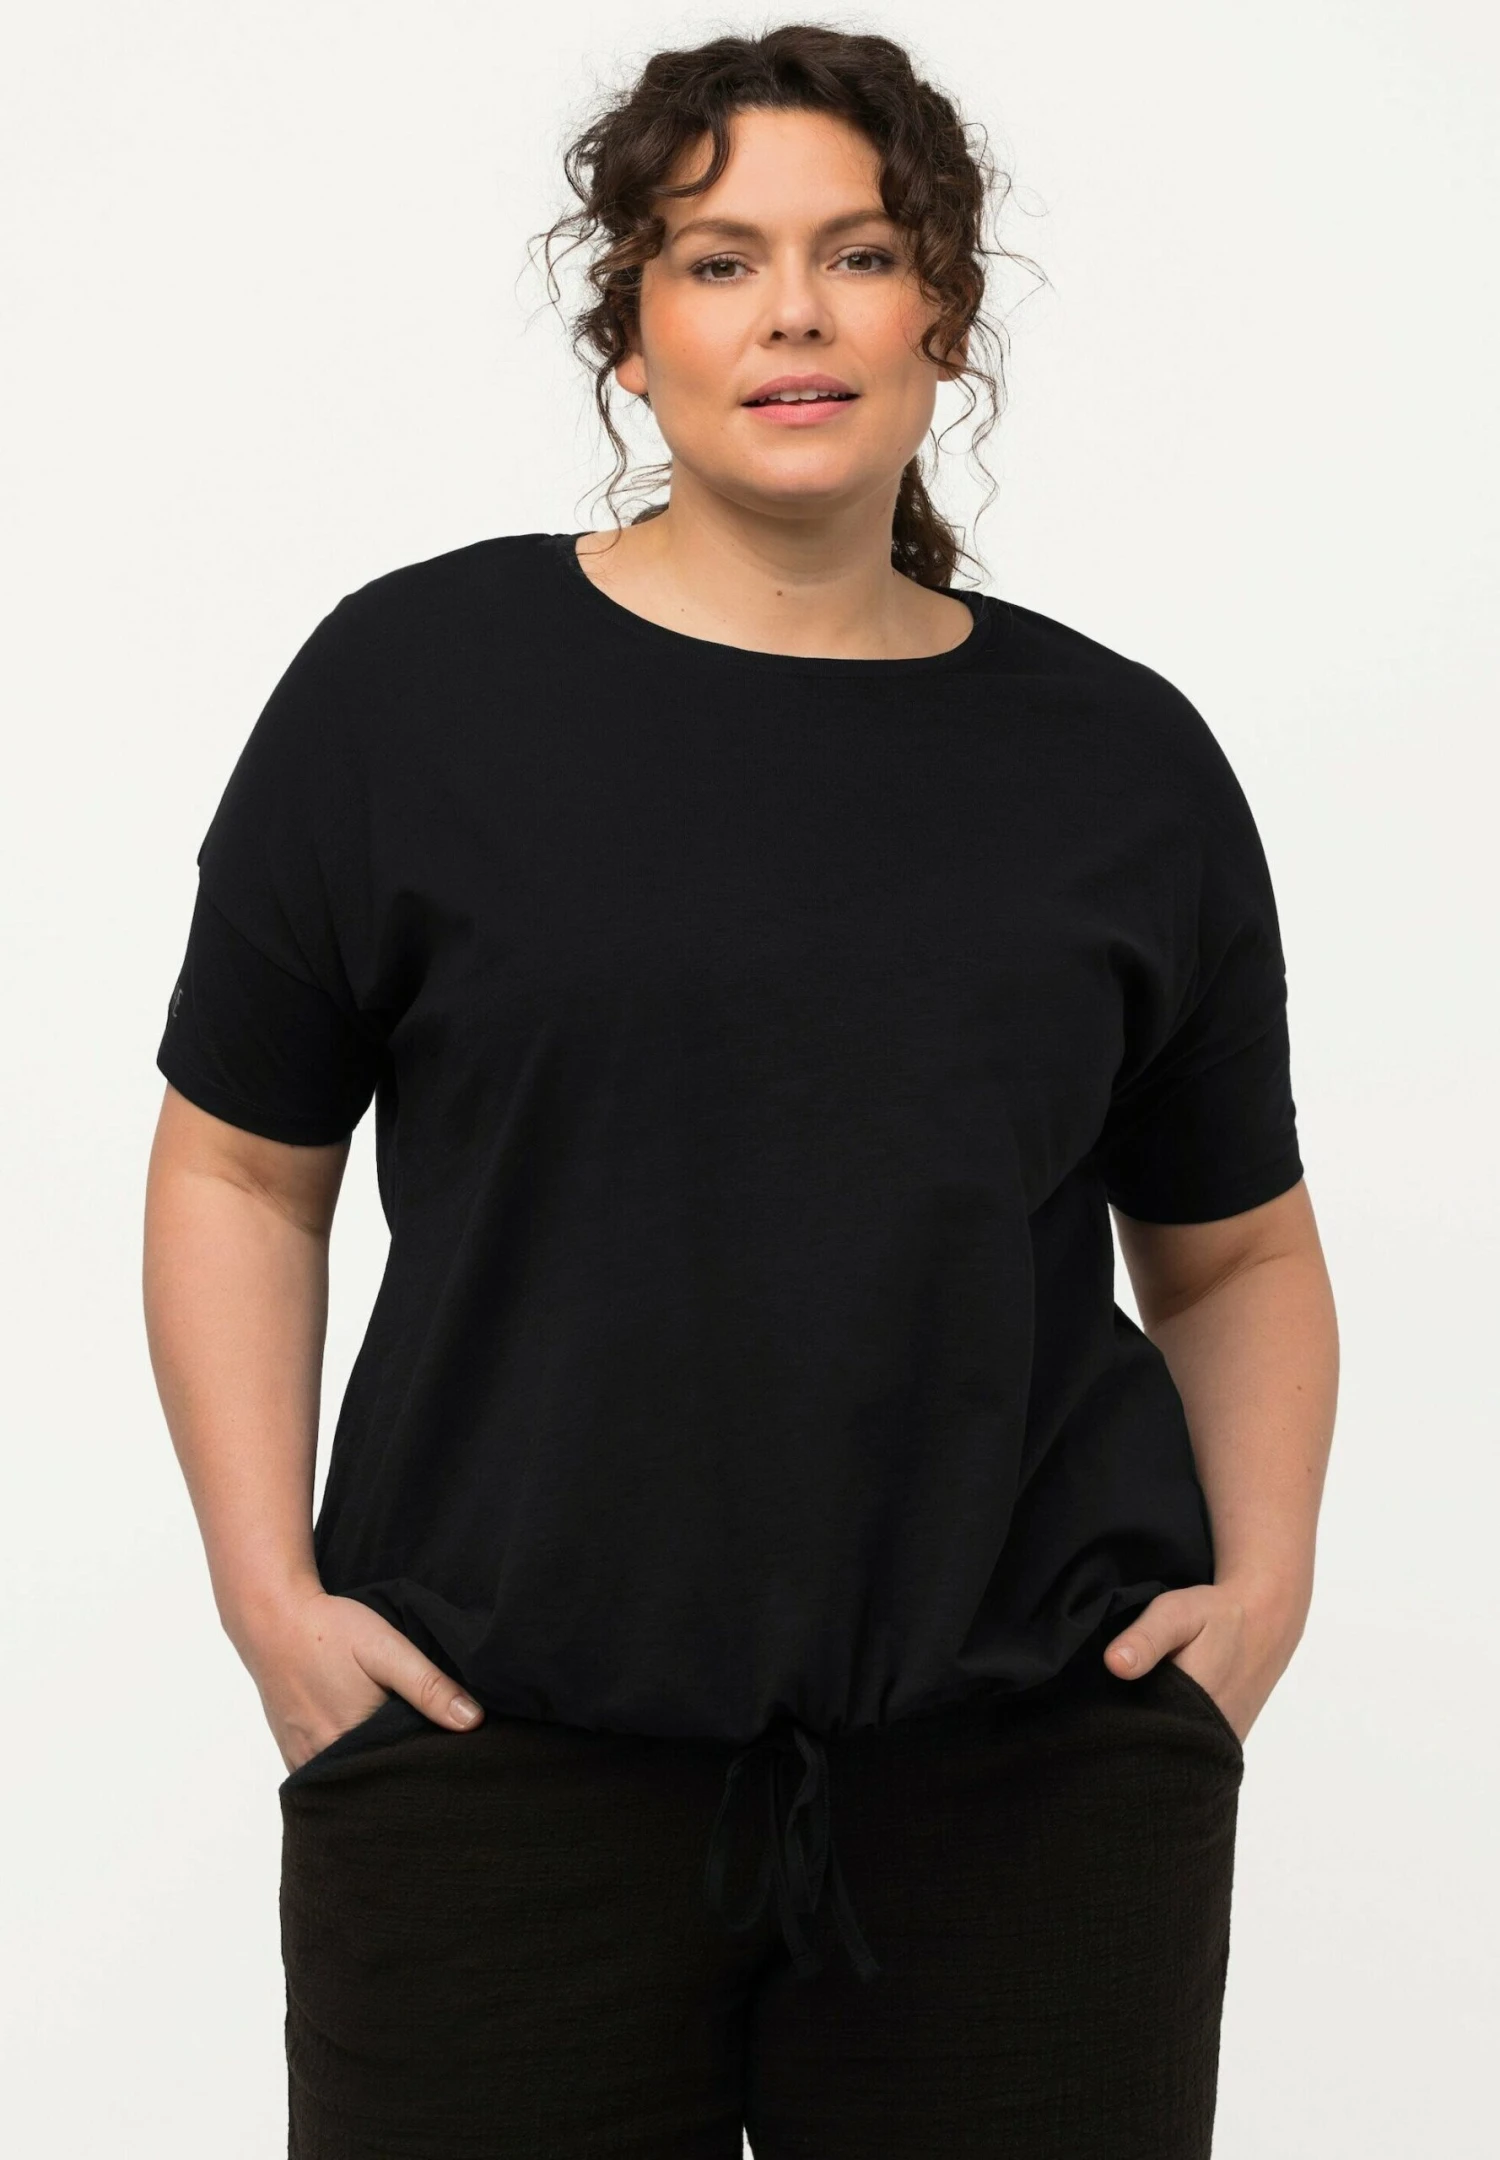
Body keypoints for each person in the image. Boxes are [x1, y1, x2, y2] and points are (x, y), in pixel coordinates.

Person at [142, 22, 1339, 2160]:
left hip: (1031, 1789)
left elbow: (1236, 1251)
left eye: (859, 253)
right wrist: (270, 1605)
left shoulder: (1122, 765)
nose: (795, 311)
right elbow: (240, 1170)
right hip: (492, 1760)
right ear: (631, 335)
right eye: (718, 260)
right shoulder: (410, 694)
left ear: (943, 317)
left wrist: (1252, 1610)